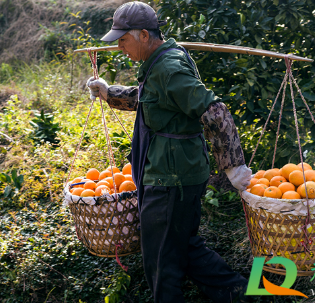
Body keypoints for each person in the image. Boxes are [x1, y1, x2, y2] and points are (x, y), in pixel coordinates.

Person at [87, 2, 252, 302]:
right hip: (178, 174)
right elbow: (149, 98)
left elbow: (214, 111)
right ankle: (239, 291)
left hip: (170, 180)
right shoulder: (158, 63)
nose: (120, 47)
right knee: (184, 248)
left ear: (145, 35)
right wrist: (109, 92)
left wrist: (234, 167)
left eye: (123, 39)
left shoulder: (168, 67)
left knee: (161, 262)